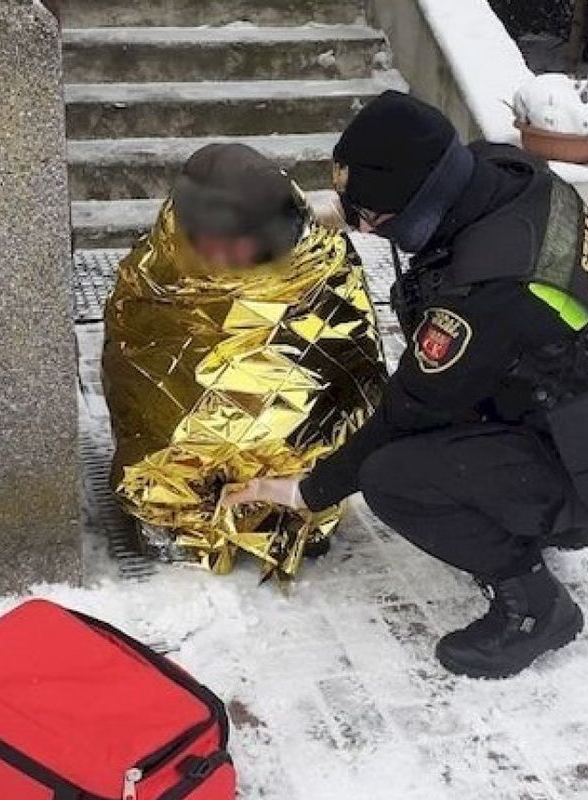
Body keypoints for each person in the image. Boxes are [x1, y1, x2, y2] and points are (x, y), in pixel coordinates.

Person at [223, 92, 588, 679]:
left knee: (394, 478)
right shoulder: (509, 176)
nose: (360, 226)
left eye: (370, 220)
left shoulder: (488, 290)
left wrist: (307, 491)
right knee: (504, 380)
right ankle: (561, 515)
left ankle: (535, 606)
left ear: (418, 210)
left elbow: (407, 409)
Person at [101, 143, 386, 580]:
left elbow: (352, 360)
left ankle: (293, 502)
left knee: (307, 417)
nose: (230, 256)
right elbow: (134, 363)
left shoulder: (319, 261)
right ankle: (173, 508)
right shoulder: (158, 271)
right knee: (163, 419)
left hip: (289, 427)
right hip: (188, 429)